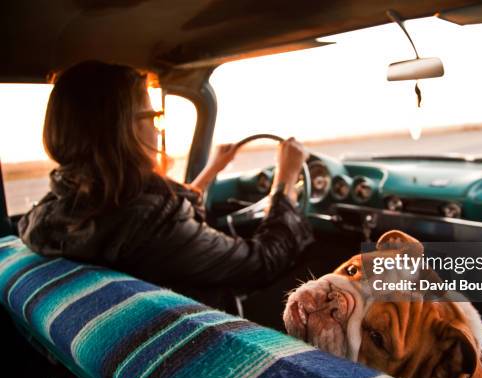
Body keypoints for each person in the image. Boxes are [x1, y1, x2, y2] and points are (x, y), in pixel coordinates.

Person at [18, 60, 314, 311]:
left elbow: (163, 221)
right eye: (152, 116)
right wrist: (286, 180)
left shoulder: (55, 213)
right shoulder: (150, 225)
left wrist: (211, 171)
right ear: (127, 128)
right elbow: (263, 261)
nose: (158, 127)